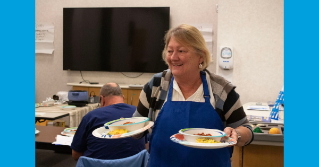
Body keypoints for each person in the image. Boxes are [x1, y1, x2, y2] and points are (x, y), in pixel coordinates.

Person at [133, 24, 254, 167]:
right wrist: (127, 129)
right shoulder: (155, 86)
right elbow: (137, 129)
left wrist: (237, 134)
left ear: (200, 57)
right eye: (170, 51)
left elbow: (247, 130)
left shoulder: (221, 89)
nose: (173, 57)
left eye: (181, 51)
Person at [71, 83, 145, 160]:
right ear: (123, 97)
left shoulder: (91, 117)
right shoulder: (139, 114)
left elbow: (75, 154)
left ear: (102, 99)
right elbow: (146, 146)